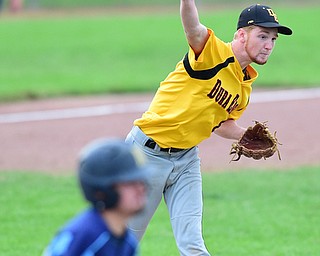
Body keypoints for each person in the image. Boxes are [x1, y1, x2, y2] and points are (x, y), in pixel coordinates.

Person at [125, 2, 292, 255]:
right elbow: (192, 27)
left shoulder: (244, 87)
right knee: (123, 240)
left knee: (193, 244)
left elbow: (221, 124)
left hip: (186, 161)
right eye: (262, 36)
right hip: (145, 156)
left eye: (273, 38)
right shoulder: (213, 52)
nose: (269, 45)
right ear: (241, 35)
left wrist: (243, 134)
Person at [43, 138, 150, 256]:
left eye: (141, 181)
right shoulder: (85, 237)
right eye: (130, 183)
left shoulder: (128, 242)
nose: (141, 188)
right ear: (102, 191)